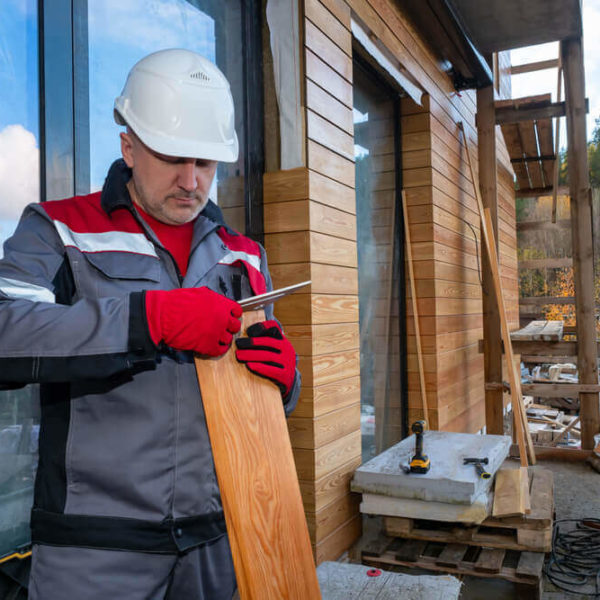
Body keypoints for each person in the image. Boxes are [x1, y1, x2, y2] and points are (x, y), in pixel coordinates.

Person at [0, 48, 300, 599]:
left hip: (218, 543)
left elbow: (261, 382)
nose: (191, 181)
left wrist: (284, 383)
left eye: (206, 163)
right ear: (129, 147)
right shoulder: (58, 231)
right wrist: (147, 319)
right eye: (173, 157)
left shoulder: (245, 255)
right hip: (95, 551)